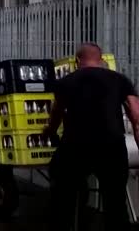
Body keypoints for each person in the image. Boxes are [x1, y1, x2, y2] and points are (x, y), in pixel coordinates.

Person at [44, 43, 139, 231]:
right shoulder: (120, 79)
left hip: (75, 148)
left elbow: (56, 114)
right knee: (116, 204)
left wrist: (50, 131)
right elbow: (136, 117)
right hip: (111, 147)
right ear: (102, 59)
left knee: (62, 197)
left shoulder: (66, 81)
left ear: (77, 60)